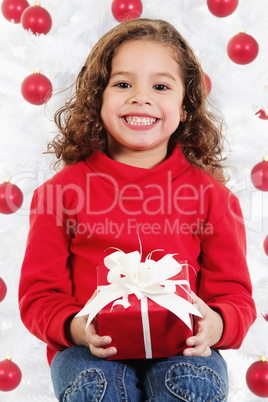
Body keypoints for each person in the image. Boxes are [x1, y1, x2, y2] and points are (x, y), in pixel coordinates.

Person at [19, 18, 256, 401]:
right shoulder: (59, 194)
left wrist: (217, 323)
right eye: (123, 84)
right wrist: (77, 328)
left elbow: (234, 295)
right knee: (95, 387)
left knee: (191, 382)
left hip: (185, 348)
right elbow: (39, 295)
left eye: (160, 86)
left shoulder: (213, 197)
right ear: (98, 98)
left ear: (185, 107)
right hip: (90, 352)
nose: (140, 97)